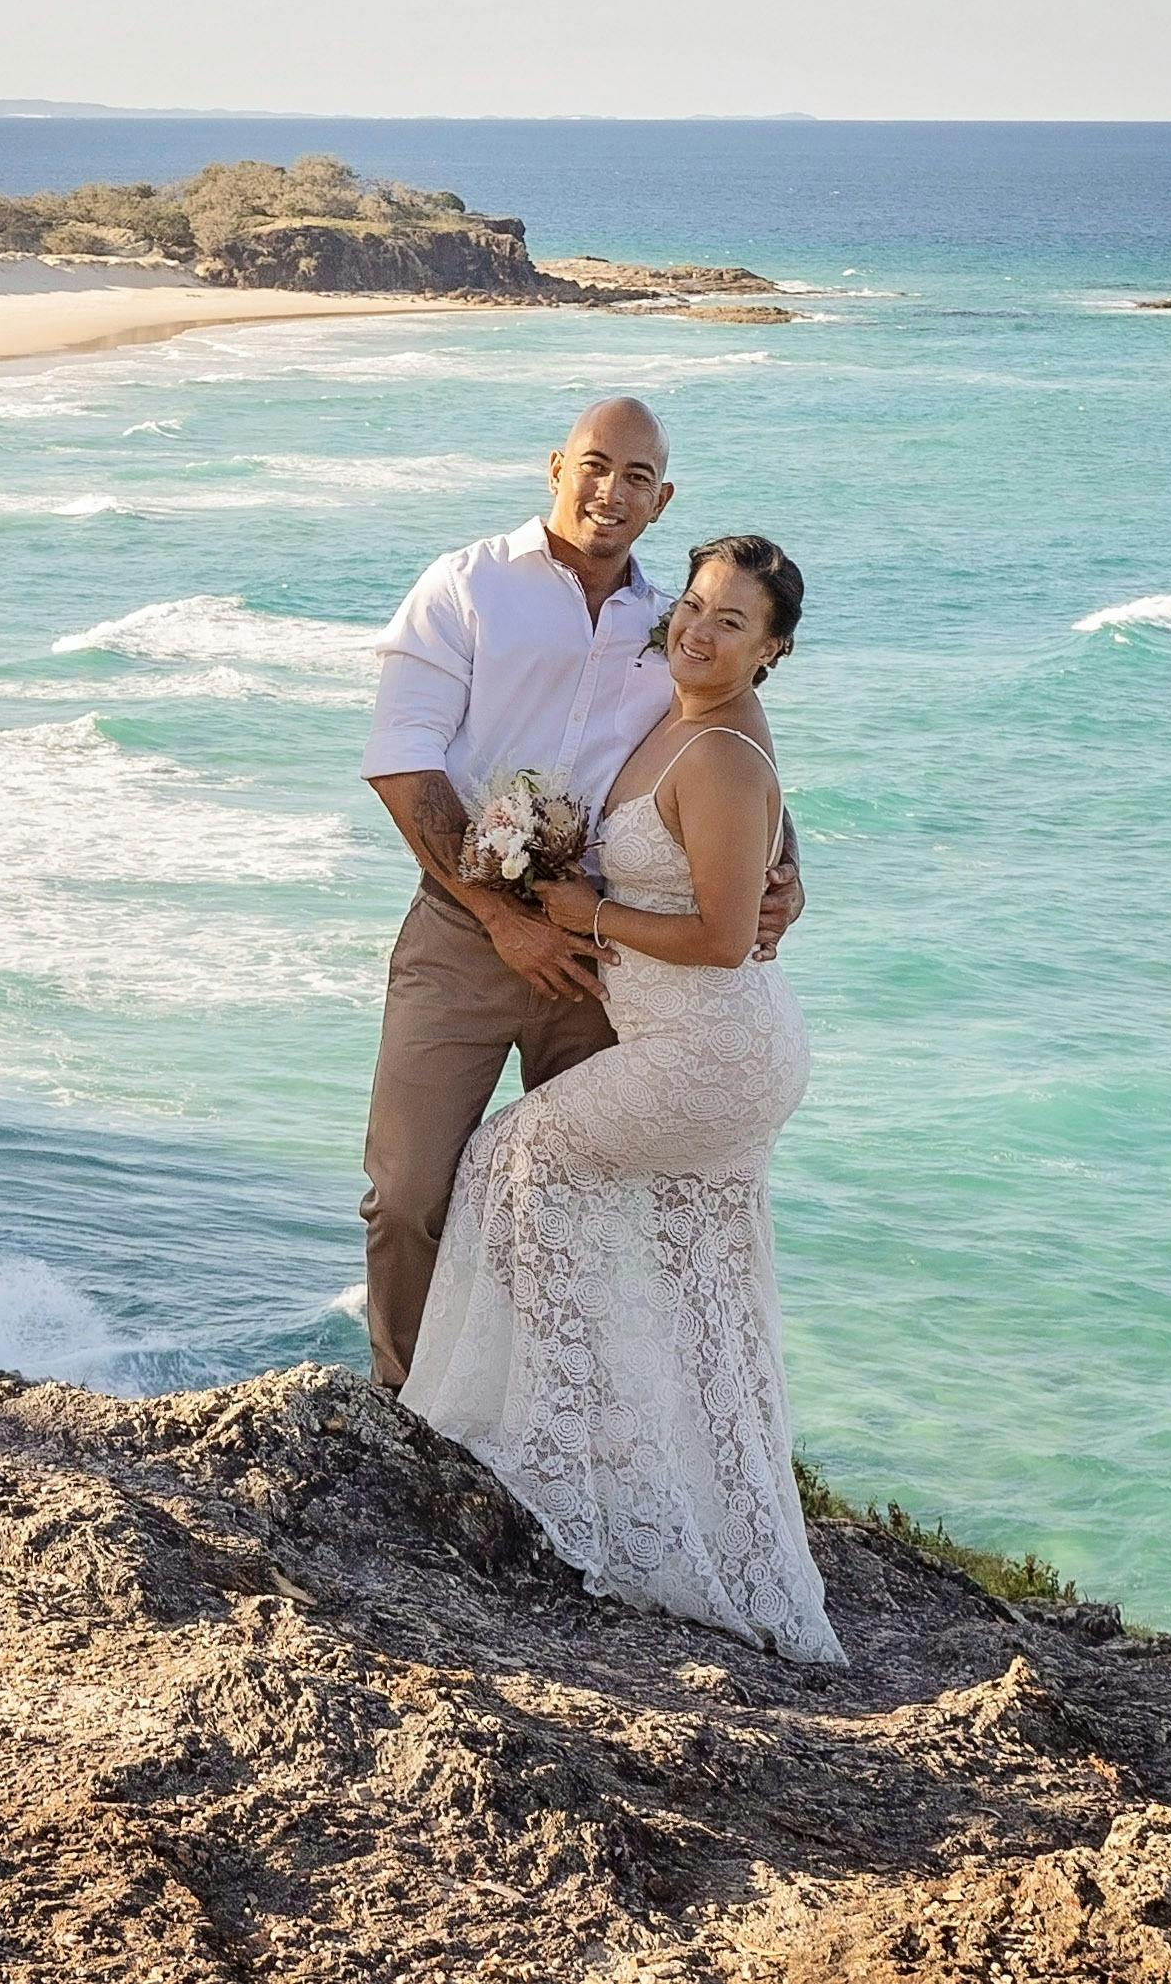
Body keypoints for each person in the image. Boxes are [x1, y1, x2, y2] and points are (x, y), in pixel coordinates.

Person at [393, 529, 837, 1659]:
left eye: (730, 621)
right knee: (675, 1259)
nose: (696, 628)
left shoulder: (722, 746)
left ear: (770, 650)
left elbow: (726, 935)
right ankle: (648, 1468)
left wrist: (584, 915)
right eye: (692, 605)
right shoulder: (687, 705)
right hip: (707, 1048)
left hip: (708, 1049)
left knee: (510, 1163)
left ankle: (549, 1467)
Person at [355, 398, 797, 1386]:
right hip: (463, 932)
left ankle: (548, 1408)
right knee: (410, 1191)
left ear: (661, 498)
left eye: (637, 476)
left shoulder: (669, 622)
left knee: (584, 1198)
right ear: (555, 466)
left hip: (608, 958)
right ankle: (404, 1405)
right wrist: (503, 923)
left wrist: (785, 868)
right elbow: (402, 764)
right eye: (595, 464)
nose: (611, 489)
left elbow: (727, 742)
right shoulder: (464, 587)